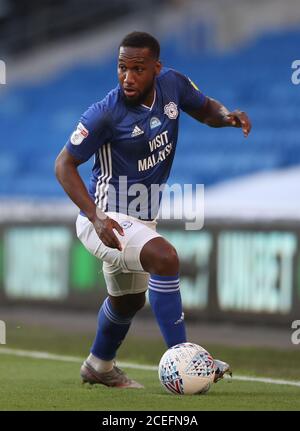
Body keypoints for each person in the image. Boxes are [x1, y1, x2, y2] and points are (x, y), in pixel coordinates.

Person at [55, 31, 251, 389]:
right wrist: (96, 218)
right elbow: (63, 165)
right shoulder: (104, 114)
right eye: (122, 68)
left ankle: (99, 365)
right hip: (105, 219)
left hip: (142, 217)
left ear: (156, 68)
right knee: (165, 257)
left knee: (129, 300)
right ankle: (185, 359)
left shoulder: (172, 84)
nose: (128, 77)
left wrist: (228, 116)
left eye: (138, 69)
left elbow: (205, 108)